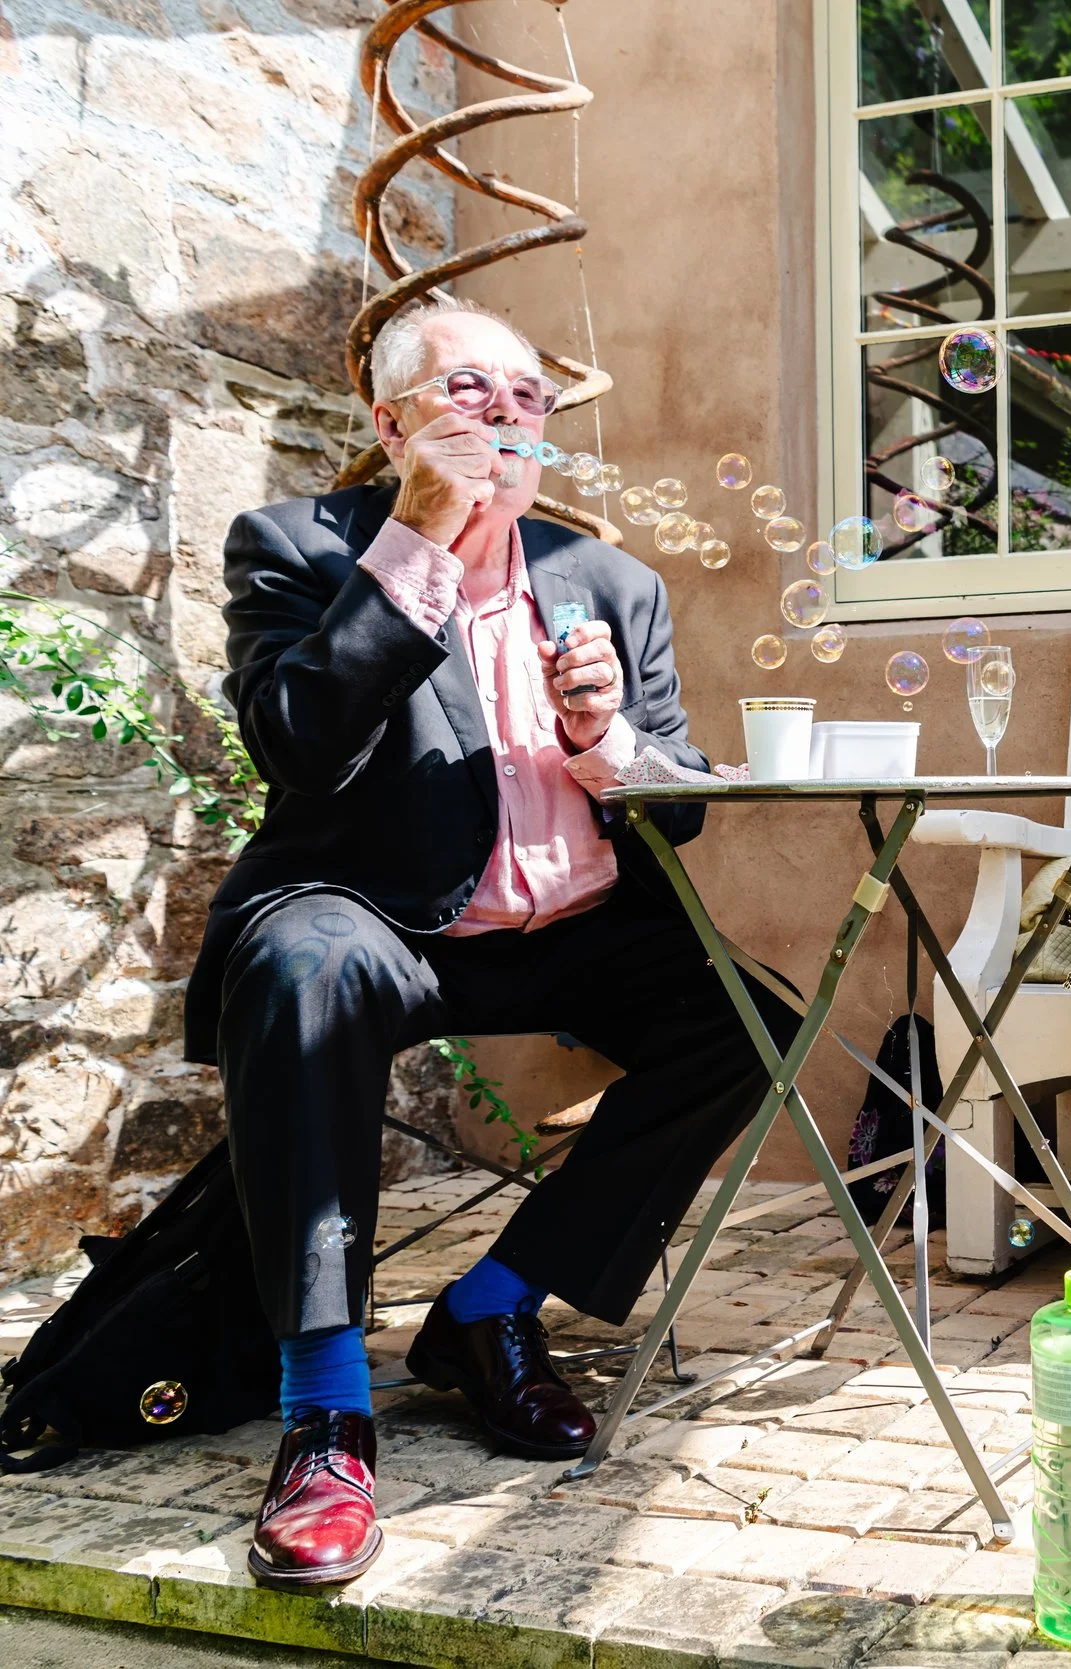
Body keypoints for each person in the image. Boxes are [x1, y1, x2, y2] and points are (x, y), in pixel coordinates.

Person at [192, 297, 795, 1586]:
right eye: (470, 391)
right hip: (380, 915)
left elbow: (675, 803)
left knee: (753, 1025)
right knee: (302, 966)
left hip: (570, 923)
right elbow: (297, 746)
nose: (508, 415)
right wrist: (416, 537)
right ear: (390, 421)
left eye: (529, 397)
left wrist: (607, 746)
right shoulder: (298, 546)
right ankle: (326, 1410)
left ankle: (490, 1308)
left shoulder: (607, 578)